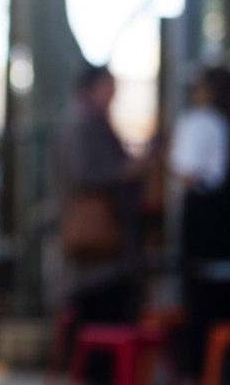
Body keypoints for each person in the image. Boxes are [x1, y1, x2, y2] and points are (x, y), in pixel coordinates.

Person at [176, 66, 230, 381]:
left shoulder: (200, 123)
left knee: (204, 313)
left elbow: (186, 173)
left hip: (205, 233)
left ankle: (205, 373)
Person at [55, 64, 143, 327]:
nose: (114, 95)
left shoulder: (92, 121)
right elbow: (85, 174)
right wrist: (126, 172)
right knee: (101, 315)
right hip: (97, 239)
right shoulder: (83, 123)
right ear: (94, 87)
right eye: (110, 88)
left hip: (104, 244)